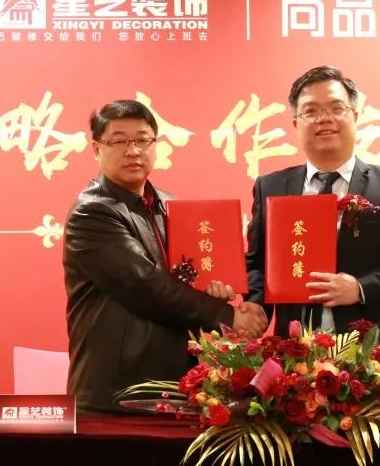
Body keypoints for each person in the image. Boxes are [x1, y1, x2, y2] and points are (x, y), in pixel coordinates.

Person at [63, 100, 267, 412]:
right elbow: (146, 285)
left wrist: (216, 290)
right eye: (119, 141)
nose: (133, 151)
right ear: (96, 148)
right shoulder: (92, 212)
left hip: (176, 386)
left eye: (142, 140)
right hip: (116, 395)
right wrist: (228, 316)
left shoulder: (168, 205)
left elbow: (187, 279)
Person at [244, 66, 380, 342]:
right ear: (296, 124)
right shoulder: (271, 187)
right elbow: (257, 263)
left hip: (373, 353)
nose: (324, 119)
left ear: (355, 116)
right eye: (311, 111)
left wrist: (361, 288)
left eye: (336, 108)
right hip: (293, 355)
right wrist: (256, 306)